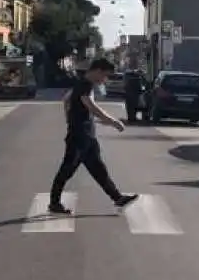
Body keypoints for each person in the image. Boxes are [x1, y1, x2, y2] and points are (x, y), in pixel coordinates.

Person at [48, 58, 138, 214]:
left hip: (87, 136)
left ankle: (117, 198)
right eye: (105, 76)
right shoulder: (85, 86)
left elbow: (66, 99)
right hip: (79, 137)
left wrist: (70, 118)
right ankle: (54, 203)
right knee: (66, 170)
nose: (105, 80)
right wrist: (113, 122)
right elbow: (91, 106)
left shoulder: (82, 84)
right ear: (98, 71)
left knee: (99, 170)